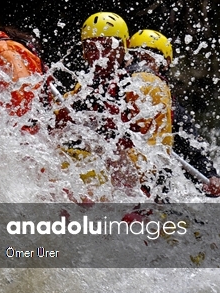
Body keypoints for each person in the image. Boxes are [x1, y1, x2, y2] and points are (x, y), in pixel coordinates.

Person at [56, 12, 173, 196]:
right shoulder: (86, 84)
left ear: (124, 46)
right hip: (108, 172)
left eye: (106, 46)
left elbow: (144, 142)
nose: (98, 55)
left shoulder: (144, 83)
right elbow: (59, 120)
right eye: (90, 47)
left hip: (146, 182)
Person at [127, 29, 220, 197]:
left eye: (147, 60)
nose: (140, 66)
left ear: (163, 65)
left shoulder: (172, 110)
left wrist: (211, 178)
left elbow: (193, 152)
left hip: (154, 191)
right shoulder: (112, 88)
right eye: (136, 58)